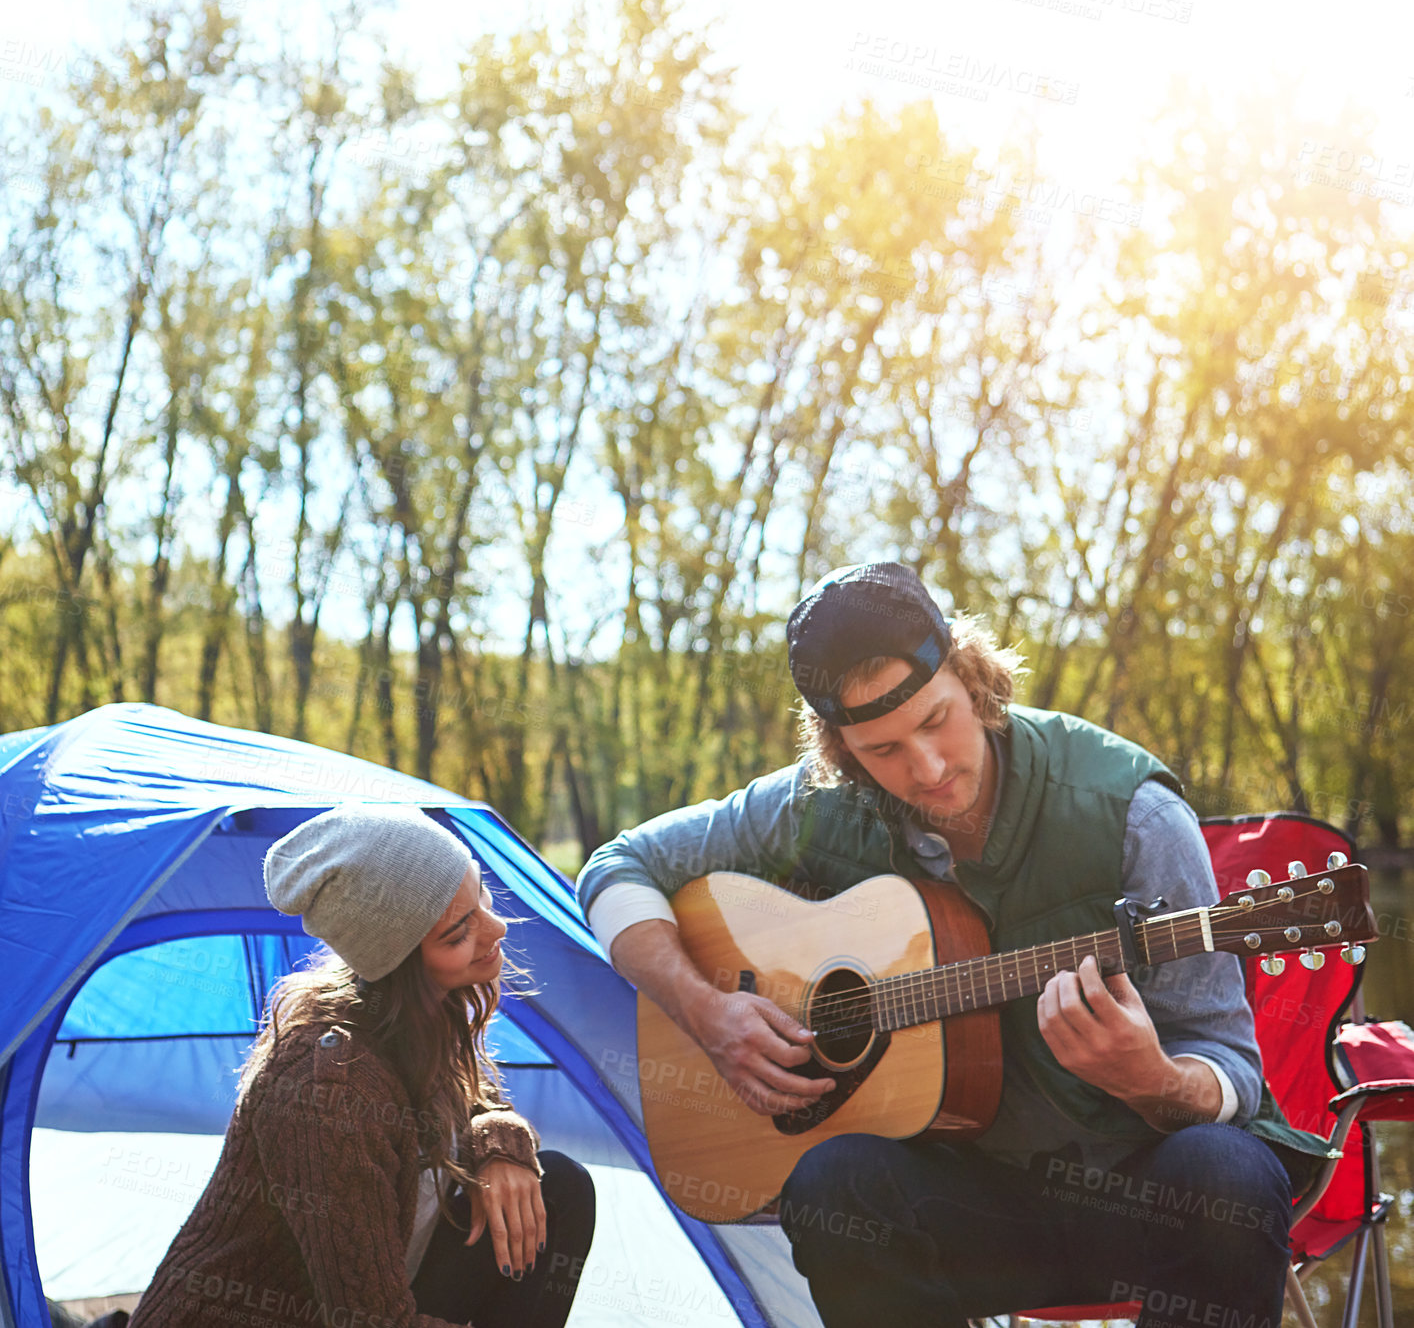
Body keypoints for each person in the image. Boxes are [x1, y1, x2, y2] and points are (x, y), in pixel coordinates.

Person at [577, 561, 1320, 1328]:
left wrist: (1152, 1079)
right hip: (968, 1212)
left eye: (936, 721)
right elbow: (614, 867)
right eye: (882, 749)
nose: (926, 769)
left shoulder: (1133, 813)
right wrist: (705, 1013)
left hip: (1138, 1196)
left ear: (972, 678)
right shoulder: (816, 804)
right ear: (839, 750)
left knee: (1227, 1175)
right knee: (837, 1185)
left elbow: (1230, 1062)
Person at [129, 805, 595, 1328]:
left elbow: (476, 1107)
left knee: (558, 1188)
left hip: (375, 1295)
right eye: (458, 932)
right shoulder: (328, 1086)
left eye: (481, 897)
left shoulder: (416, 1016)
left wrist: (500, 1142)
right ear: (399, 961)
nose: (497, 928)